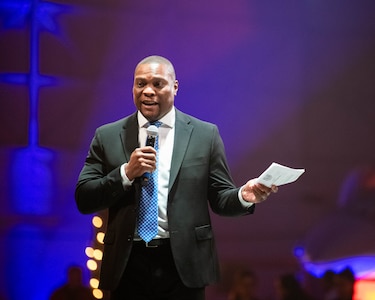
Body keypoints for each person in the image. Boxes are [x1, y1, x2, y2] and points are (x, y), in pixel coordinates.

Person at [75, 55, 278, 300]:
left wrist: (244, 196)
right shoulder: (107, 136)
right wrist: (125, 174)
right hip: (127, 263)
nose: (148, 91)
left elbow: (220, 199)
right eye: (140, 84)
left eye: (157, 84)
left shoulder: (205, 135)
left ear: (175, 87)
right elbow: (84, 198)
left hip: (184, 263)